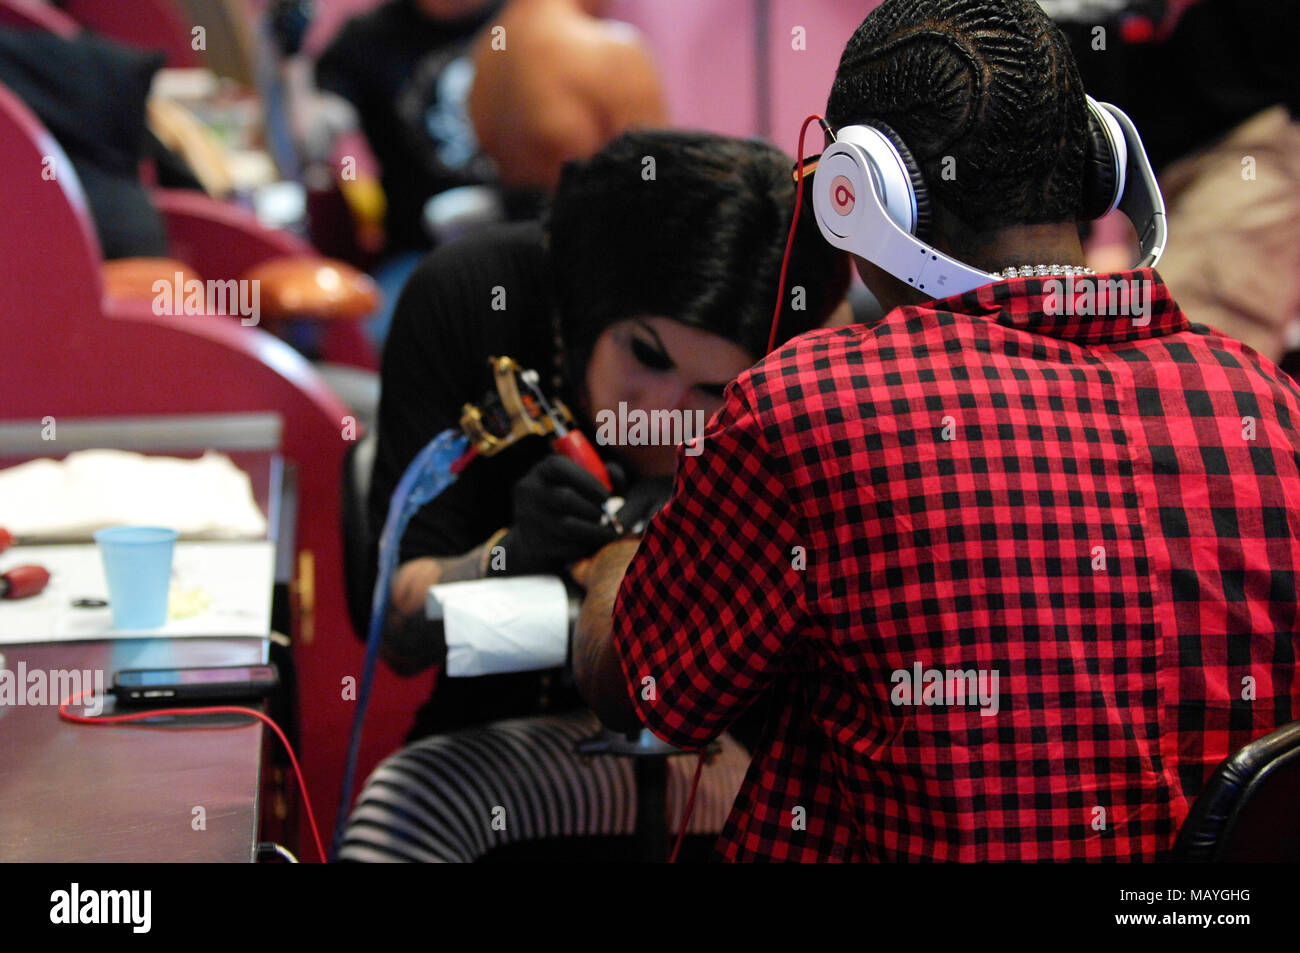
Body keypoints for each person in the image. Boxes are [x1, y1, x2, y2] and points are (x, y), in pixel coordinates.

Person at [576, 0, 1300, 861]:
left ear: (860, 191)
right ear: (1098, 161)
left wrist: (621, 554)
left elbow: (638, 690)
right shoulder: (1271, 405)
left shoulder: (813, 406)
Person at [339, 129, 849, 861]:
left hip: (725, 743)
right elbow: (401, 623)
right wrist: (511, 552)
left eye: (714, 390)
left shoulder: (817, 362)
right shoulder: (473, 294)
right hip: (486, 747)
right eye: (645, 355)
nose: (663, 412)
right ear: (587, 306)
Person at [468, 0, 666, 191]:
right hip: (593, 218)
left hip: (517, 217)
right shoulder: (613, 50)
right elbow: (649, 172)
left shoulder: (487, 49)